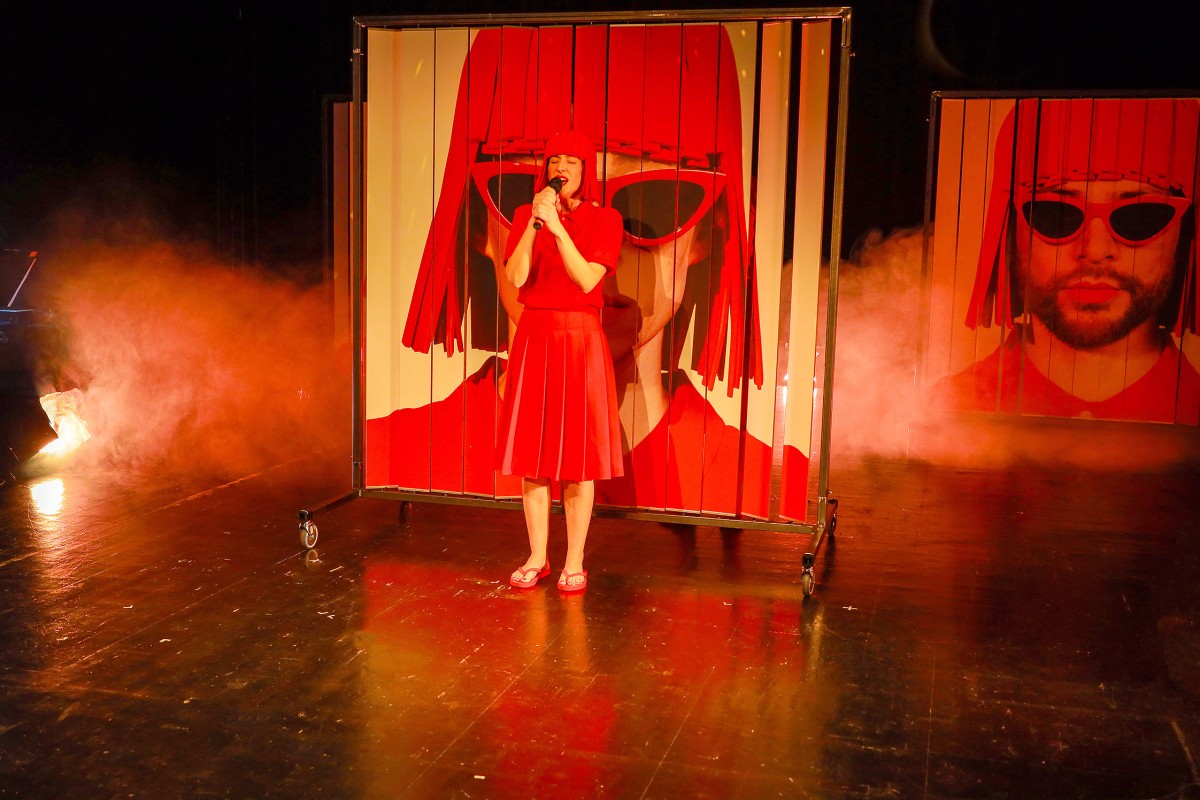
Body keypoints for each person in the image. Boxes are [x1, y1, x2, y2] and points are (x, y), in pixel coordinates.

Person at [366, 23, 810, 521]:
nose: (612, 257)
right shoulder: (388, 452)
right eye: (517, 188)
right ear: (477, 224)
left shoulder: (771, 486)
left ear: (707, 232)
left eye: (653, 202)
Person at [932, 97, 1200, 424]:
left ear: (1187, 231)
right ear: (1009, 228)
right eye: (1055, 214)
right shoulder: (941, 414)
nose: (1095, 250)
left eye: (1140, 216)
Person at [498, 130, 624, 592]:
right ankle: (537, 557)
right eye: (555, 160)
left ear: (586, 170)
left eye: (572, 161)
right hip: (535, 335)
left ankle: (574, 560)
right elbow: (516, 277)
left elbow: (587, 280)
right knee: (532, 456)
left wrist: (558, 229)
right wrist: (535, 224)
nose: (561, 168)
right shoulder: (525, 215)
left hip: (579, 338)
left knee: (577, 459)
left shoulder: (605, 218)